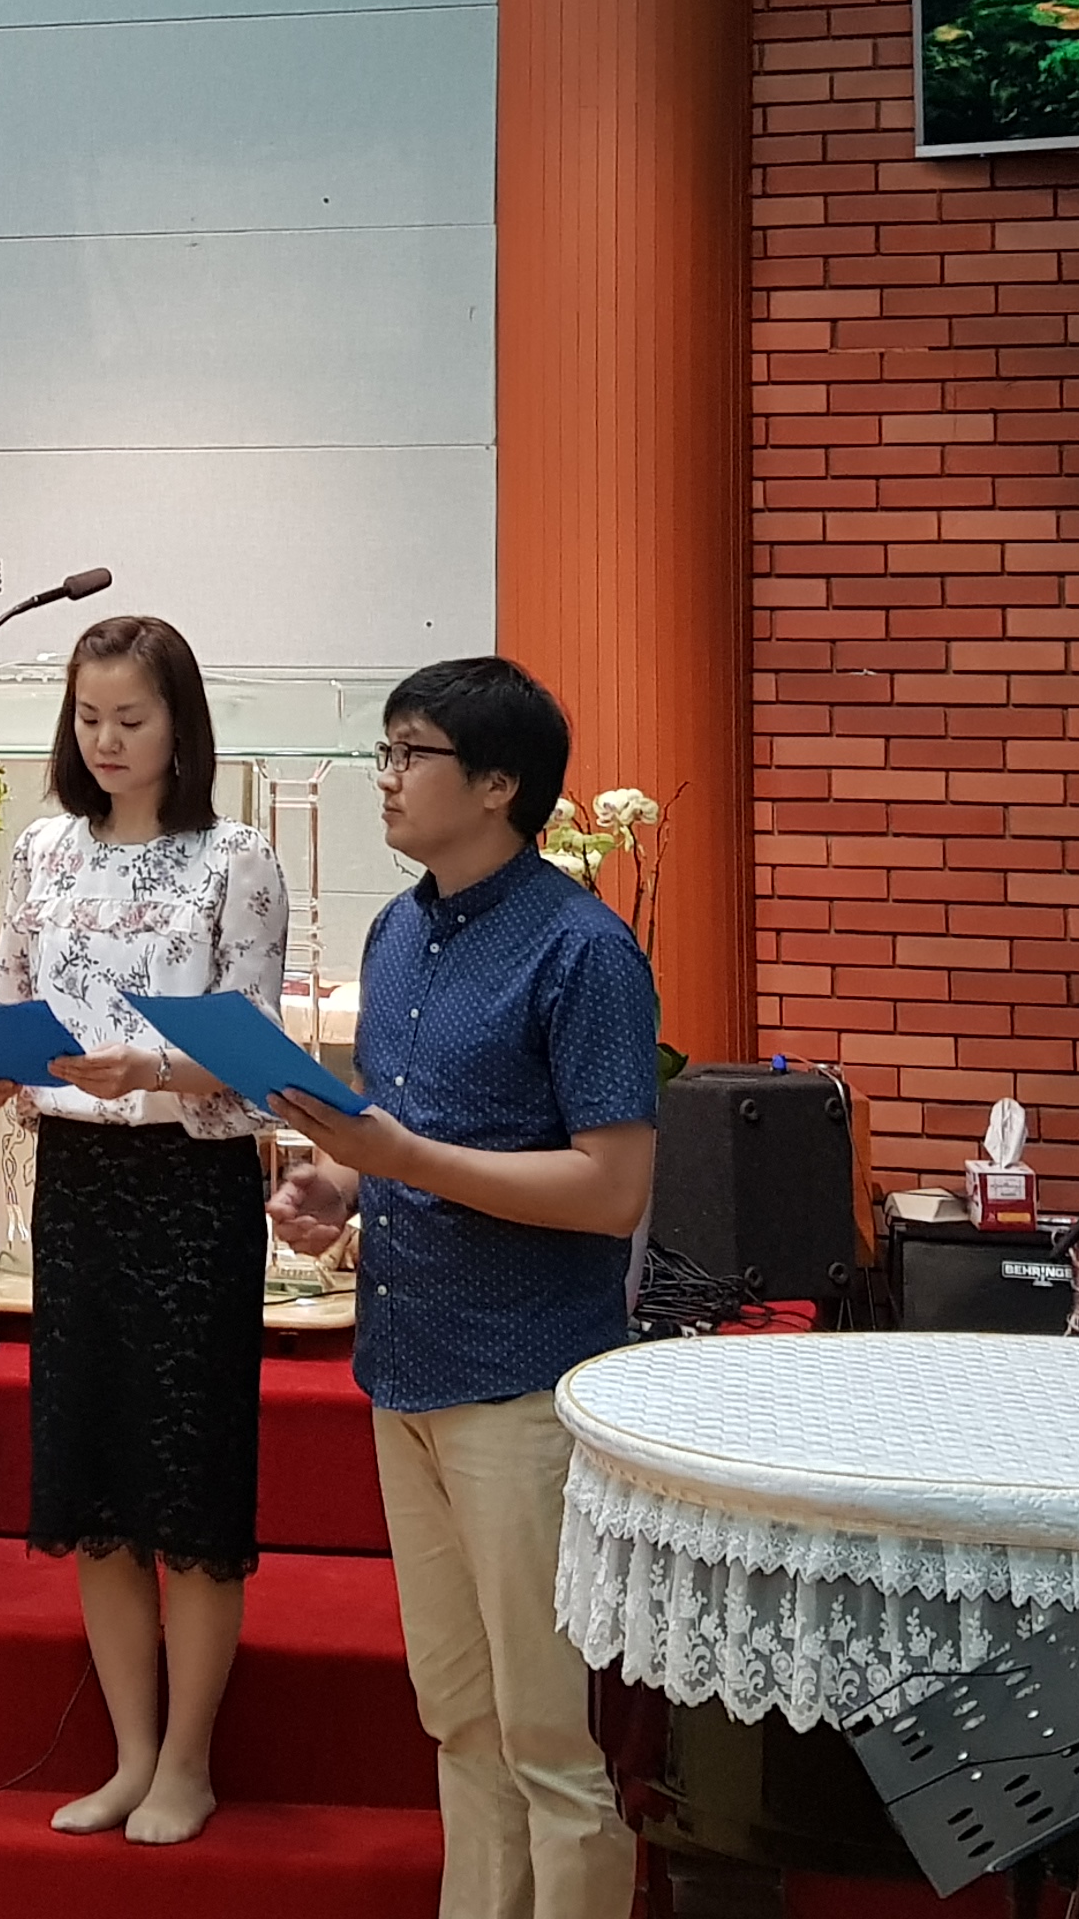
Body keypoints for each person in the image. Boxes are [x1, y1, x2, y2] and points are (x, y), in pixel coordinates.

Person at [268, 656, 661, 1919]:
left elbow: (612, 1190)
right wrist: (344, 1191)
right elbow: (400, 1128)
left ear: (499, 785)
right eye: (382, 753)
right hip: (406, 1363)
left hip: (522, 1379)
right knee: (460, 1717)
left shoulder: (583, 950)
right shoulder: (398, 932)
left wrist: (403, 1162)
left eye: (410, 755)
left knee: (547, 1735)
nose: (385, 779)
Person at [0, 611, 289, 1847]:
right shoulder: (42, 846)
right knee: (95, 1475)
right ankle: (131, 1754)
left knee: (189, 1484)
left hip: (191, 1188)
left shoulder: (233, 858)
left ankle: (190, 1764)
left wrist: (152, 1067)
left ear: (180, 725)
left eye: (132, 719)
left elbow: (256, 1055)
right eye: (88, 717)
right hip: (78, 1183)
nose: (106, 741)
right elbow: (11, 999)